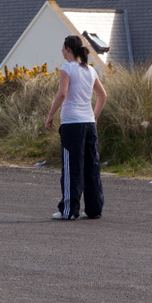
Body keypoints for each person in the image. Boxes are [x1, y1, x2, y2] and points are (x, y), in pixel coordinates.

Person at [44, 34, 107, 220]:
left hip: (72, 124)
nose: (61, 51)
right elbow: (102, 95)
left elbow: (62, 94)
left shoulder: (67, 68)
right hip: (88, 123)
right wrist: (94, 117)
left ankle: (69, 210)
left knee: (72, 166)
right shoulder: (90, 70)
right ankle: (94, 208)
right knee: (91, 165)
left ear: (69, 49)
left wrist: (50, 115)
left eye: (63, 47)